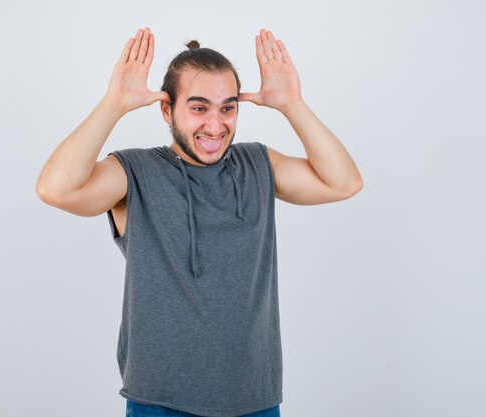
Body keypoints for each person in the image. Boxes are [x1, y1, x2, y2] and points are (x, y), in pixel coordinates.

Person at [36, 27, 363, 417]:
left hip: (255, 399)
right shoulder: (135, 172)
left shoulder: (258, 163)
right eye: (198, 107)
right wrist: (113, 104)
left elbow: (344, 183)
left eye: (227, 107)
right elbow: (55, 189)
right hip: (161, 401)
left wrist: (293, 104)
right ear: (166, 110)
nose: (215, 124)